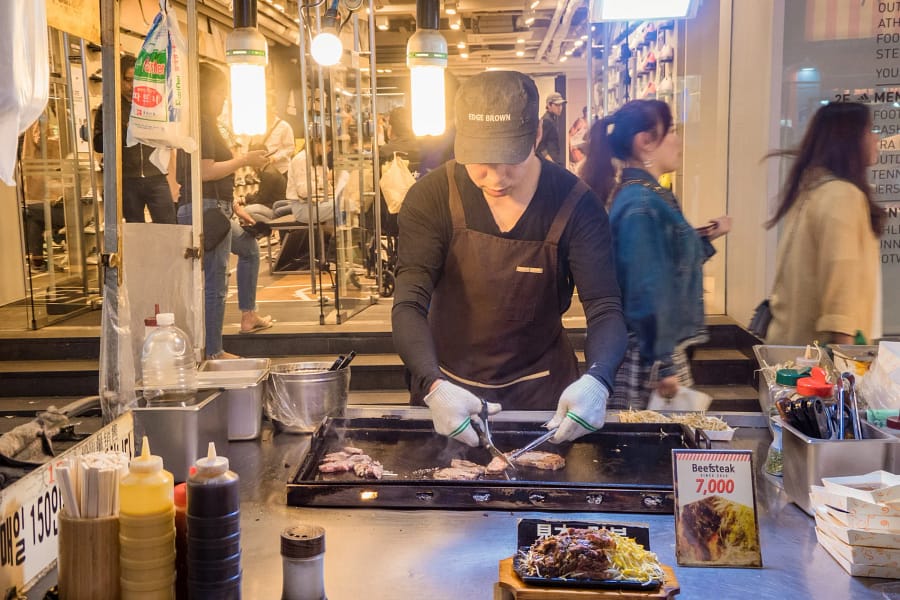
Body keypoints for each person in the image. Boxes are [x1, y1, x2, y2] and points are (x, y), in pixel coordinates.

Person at [392, 71, 627, 447]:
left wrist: (599, 379)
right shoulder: (432, 196)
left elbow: (604, 307)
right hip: (448, 392)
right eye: (480, 162)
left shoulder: (576, 203)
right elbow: (408, 303)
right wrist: (432, 384)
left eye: (510, 161)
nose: (495, 178)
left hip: (542, 399)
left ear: (536, 135)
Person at [581, 99, 731, 409]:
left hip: (652, 349)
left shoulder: (644, 196)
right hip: (650, 355)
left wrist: (702, 240)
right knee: (652, 449)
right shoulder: (641, 202)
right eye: (671, 130)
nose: (678, 140)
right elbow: (645, 288)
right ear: (645, 142)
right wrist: (664, 365)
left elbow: (662, 267)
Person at [764, 102, 883, 346]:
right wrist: (845, 358)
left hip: (793, 347)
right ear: (850, 141)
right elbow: (841, 276)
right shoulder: (843, 195)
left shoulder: (812, 192)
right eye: (869, 131)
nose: (875, 138)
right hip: (821, 361)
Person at [175, 63, 270, 358]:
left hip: (216, 208)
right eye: (221, 92)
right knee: (215, 283)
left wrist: (236, 206)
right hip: (208, 211)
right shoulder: (201, 123)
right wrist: (245, 160)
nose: (224, 99)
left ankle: (248, 316)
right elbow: (204, 172)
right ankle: (213, 352)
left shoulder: (203, 122)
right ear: (209, 92)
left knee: (249, 248)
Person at [93, 54, 176, 224]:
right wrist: (128, 131)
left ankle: (162, 252)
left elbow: (167, 136)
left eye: (136, 80)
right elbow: (99, 144)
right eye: (128, 80)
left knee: (169, 228)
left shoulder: (153, 104)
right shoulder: (109, 108)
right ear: (119, 80)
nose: (132, 85)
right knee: (134, 230)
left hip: (156, 175)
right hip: (127, 179)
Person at [536, 92, 566, 164]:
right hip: (550, 163)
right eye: (557, 105)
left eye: (561, 105)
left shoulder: (553, 119)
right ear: (549, 105)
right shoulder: (546, 121)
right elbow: (540, 146)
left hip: (553, 162)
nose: (560, 108)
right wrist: (551, 162)